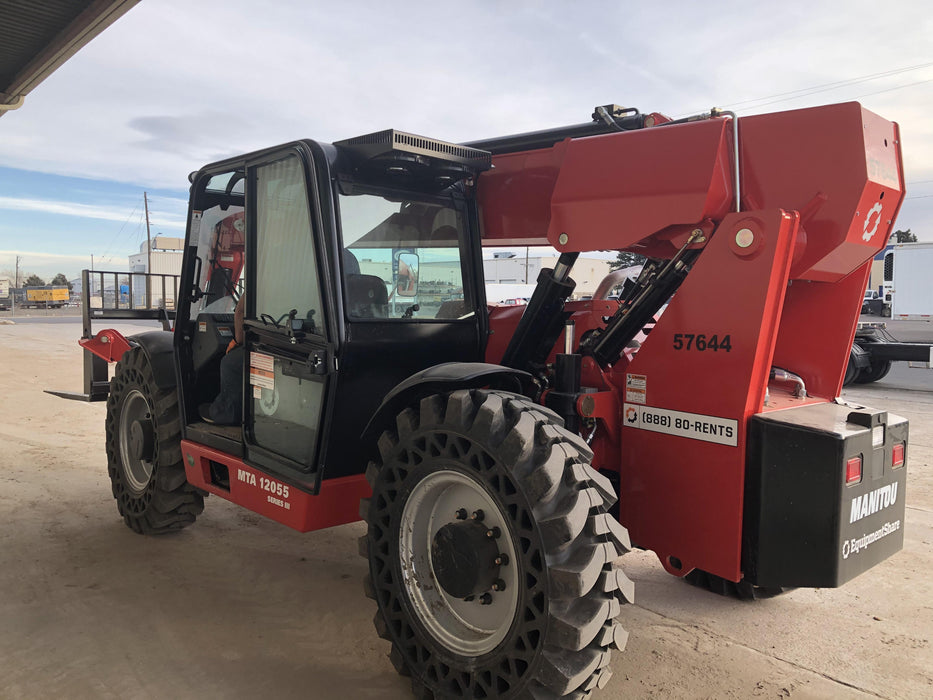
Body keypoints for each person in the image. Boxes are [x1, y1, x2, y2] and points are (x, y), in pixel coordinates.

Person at [199, 293, 245, 425]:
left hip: (268, 344)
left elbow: (240, 311)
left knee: (230, 362)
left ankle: (225, 413)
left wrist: (236, 341)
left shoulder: (260, 281)